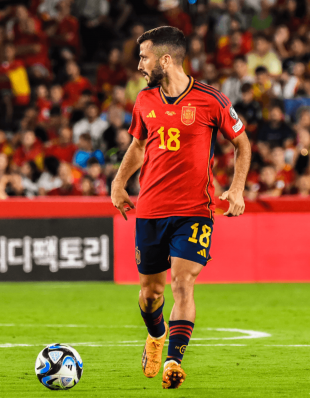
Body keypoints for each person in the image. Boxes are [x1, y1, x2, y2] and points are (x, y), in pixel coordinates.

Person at [110, 26, 251, 389]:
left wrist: (236, 189)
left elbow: (242, 144)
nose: (140, 64)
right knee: (150, 293)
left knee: (183, 284)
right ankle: (156, 337)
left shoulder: (211, 99)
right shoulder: (144, 101)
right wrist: (118, 182)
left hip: (194, 209)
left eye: (144, 57)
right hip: (151, 210)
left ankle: (174, 360)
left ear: (166, 59)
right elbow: (139, 146)